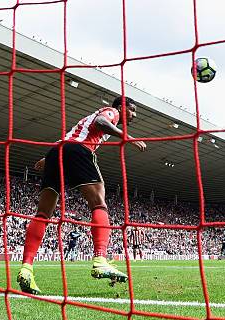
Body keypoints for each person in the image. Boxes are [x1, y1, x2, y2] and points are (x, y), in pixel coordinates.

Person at [17, 96, 147, 295]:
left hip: (56, 152)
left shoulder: (87, 121)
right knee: (99, 203)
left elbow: (71, 136)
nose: (134, 115)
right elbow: (100, 122)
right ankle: (100, 260)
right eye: (132, 110)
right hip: (78, 150)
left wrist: (49, 159)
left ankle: (26, 269)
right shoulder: (112, 112)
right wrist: (127, 137)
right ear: (121, 107)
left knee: (43, 213)